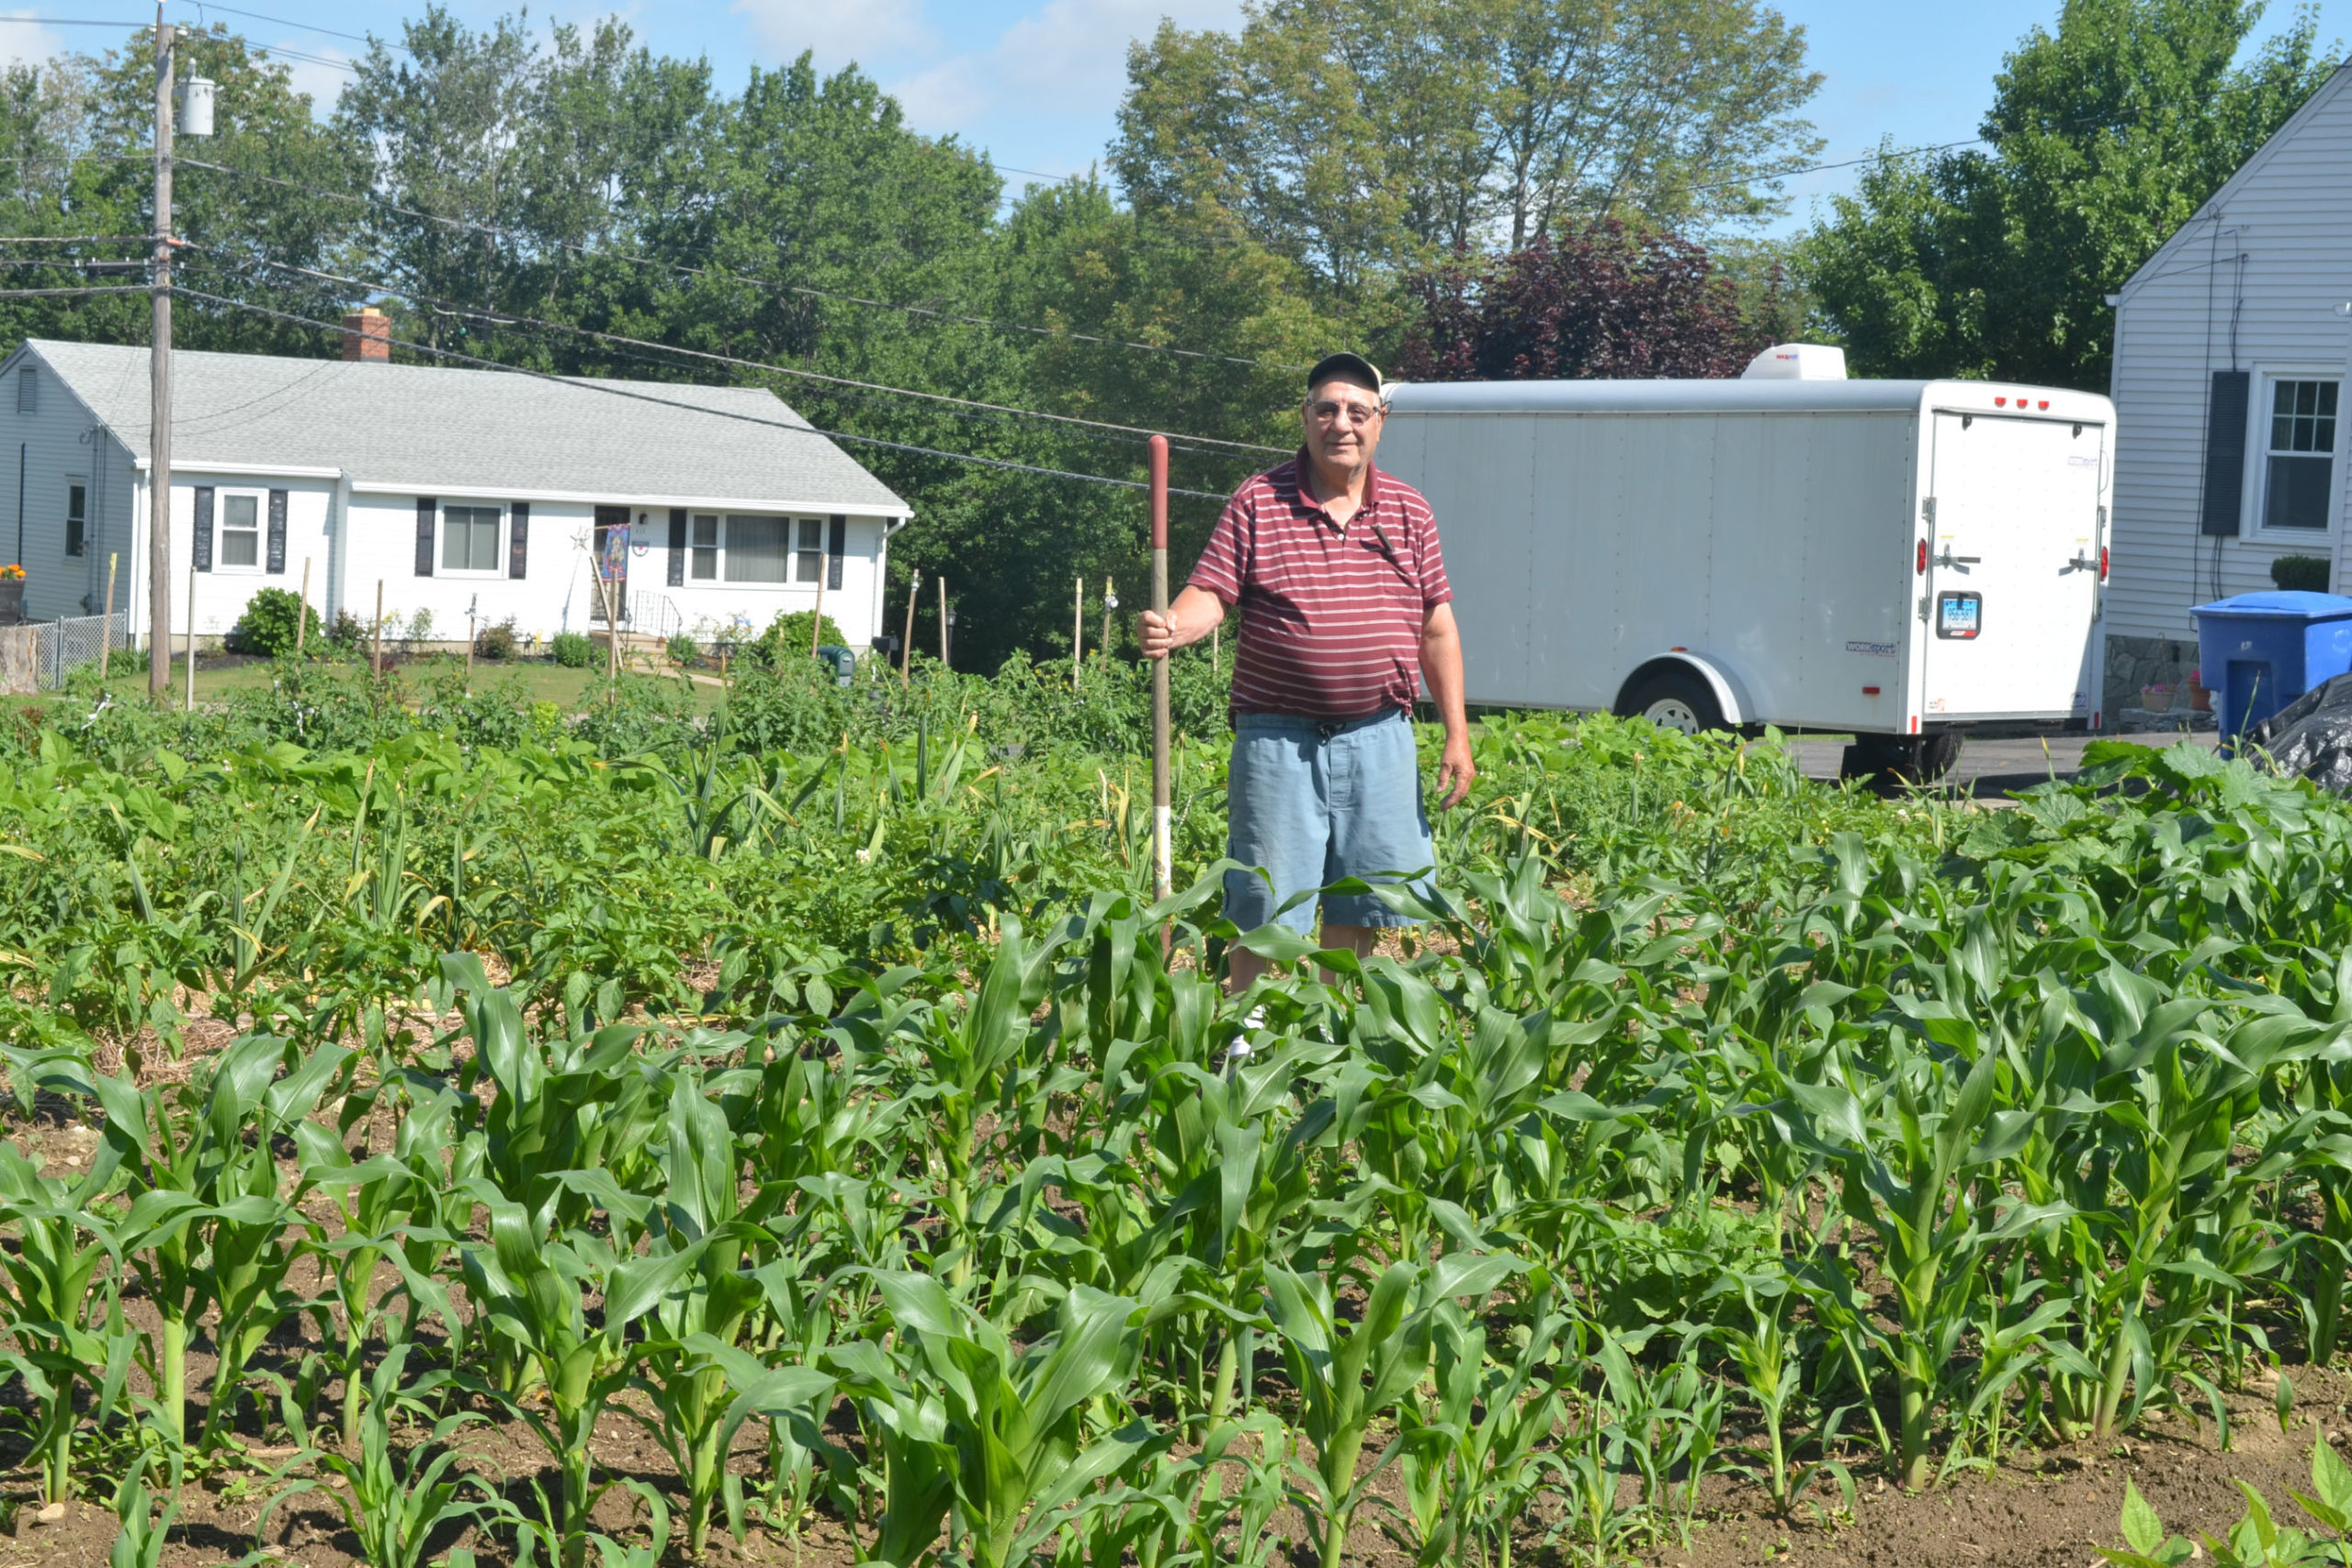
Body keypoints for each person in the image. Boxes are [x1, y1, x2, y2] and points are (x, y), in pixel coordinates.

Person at [1137, 350, 1474, 987]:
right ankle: (1247, 1044)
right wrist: (1173, 626)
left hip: (1380, 738)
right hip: (1278, 742)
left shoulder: (1410, 511)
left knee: (1365, 902)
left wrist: (1457, 732)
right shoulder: (1259, 500)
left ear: (1380, 423)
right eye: (1326, 409)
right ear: (1305, 418)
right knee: (1265, 904)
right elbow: (1212, 591)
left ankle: (1335, 1042)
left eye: (1356, 411)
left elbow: (1437, 627)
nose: (1340, 423)